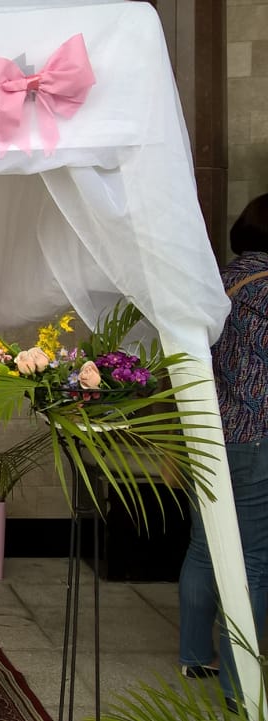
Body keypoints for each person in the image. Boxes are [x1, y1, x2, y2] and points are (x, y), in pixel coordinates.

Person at [179, 193, 268, 709]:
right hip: (257, 437)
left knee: (203, 547)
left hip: (206, 433)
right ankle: (242, 688)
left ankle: (195, 655)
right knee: (254, 560)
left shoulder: (216, 283)